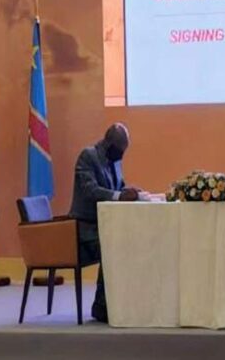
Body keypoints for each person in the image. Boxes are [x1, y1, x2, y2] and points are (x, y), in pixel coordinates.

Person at [69, 122, 146, 323]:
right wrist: (119, 196)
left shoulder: (114, 161)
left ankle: (121, 301)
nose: (121, 155)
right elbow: (89, 191)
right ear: (109, 143)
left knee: (131, 242)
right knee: (113, 246)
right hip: (84, 228)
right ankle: (101, 306)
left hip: (106, 225)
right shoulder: (88, 156)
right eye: (119, 151)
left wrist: (129, 191)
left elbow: (119, 187)